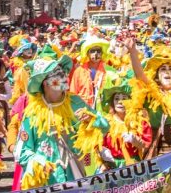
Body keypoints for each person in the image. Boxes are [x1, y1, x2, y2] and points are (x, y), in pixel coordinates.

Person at [17, 54, 107, 188]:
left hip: (75, 175)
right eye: (57, 74)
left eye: (63, 72)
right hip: (48, 180)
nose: (64, 77)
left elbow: (104, 127)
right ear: (45, 82)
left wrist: (91, 120)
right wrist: (38, 163)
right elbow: (22, 151)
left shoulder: (75, 102)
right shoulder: (33, 112)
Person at [98, 73, 150, 168]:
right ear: (112, 102)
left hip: (135, 166)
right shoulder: (106, 122)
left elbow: (147, 145)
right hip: (112, 166)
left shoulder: (140, 121)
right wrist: (102, 152)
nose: (120, 102)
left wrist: (137, 142)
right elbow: (97, 143)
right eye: (116, 99)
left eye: (124, 99)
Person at [69, 36, 112, 108]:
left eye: (98, 51)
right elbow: (73, 92)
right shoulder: (79, 71)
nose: (96, 53)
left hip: (102, 108)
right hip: (83, 108)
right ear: (88, 54)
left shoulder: (108, 70)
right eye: (92, 51)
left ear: (102, 53)